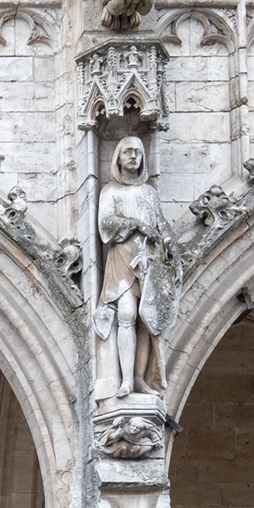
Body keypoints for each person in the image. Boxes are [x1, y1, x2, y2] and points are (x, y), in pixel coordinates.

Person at [93, 135, 182, 403]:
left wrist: (169, 243)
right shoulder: (110, 191)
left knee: (146, 318)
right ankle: (126, 380)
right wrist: (136, 224)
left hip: (148, 261)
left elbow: (161, 223)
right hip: (122, 259)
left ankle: (140, 378)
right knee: (127, 313)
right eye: (127, 152)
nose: (133, 156)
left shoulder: (148, 193)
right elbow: (105, 223)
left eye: (138, 152)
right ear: (118, 158)